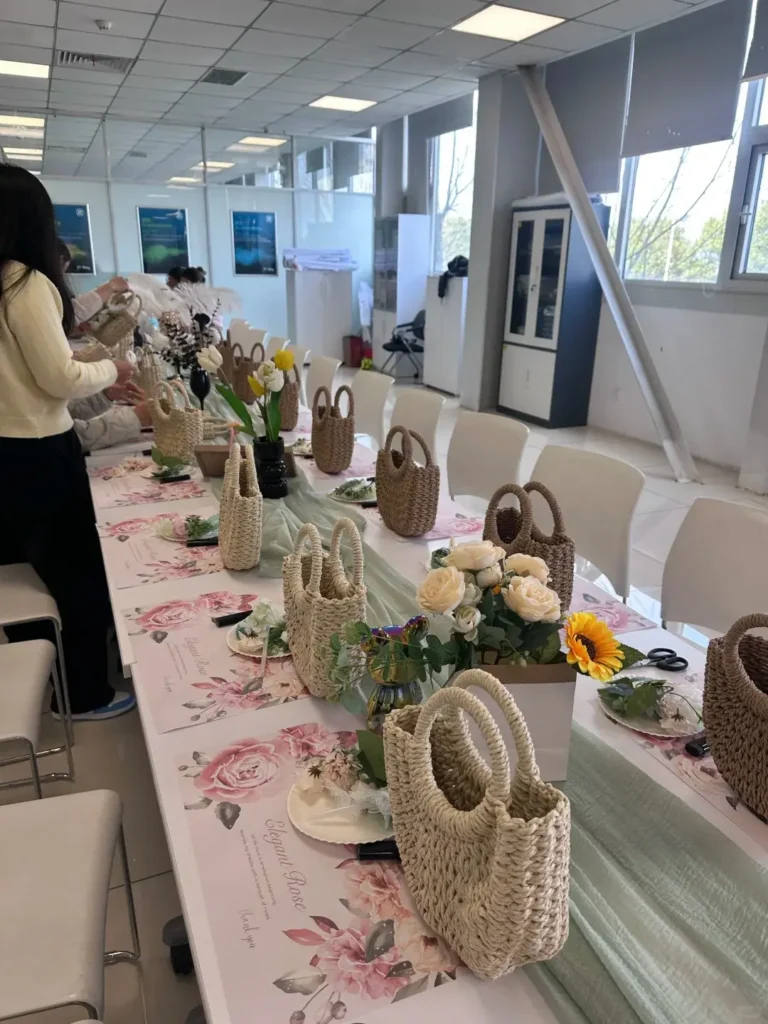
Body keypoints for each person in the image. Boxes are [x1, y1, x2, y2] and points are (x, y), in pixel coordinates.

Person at [0, 164, 136, 720]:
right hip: (37, 452)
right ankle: (84, 692)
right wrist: (110, 367)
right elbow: (56, 380)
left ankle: (48, 679)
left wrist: (80, 361)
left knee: (29, 570)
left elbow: (31, 366)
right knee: (79, 570)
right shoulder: (24, 283)